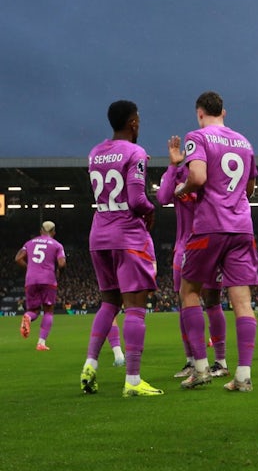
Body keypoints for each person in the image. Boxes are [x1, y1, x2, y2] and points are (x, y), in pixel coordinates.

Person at [172, 90, 258, 392]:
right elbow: (250, 188)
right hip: (242, 227)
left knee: (189, 291)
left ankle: (200, 369)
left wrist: (179, 190)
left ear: (199, 113)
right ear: (224, 111)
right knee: (242, 302)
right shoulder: (245, 142)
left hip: (210, 226)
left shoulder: (197, 136)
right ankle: (243, 375)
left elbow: (197, 176)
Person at [80, 99, 163, 397]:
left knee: (108, 303)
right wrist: (152, 209)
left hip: (98, 235)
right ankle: (133, 379)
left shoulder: (94, 153)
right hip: (127, 237)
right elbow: (138, 200)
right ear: (133, 123)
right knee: (135, 308)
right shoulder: (136, 152)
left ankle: (90, 364)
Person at [156, 137, 229, 380]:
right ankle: (192, 361)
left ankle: (219, 361)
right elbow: (163, 198)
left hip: (208, 243)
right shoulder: (179, 176)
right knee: (184, 303)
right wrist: (172, 165)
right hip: (184, 248)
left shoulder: (209, 176)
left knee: (212, 301)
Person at [15, 221, 66, 350]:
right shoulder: (57, 245)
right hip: (48, 279)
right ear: (54, 232)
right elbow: (62, 263)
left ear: (40, 231)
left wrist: (29, 268)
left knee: (34, 311)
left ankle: (27, 316)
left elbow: (18, 259)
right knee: (48, 311)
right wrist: (60, 272)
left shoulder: (29, 243)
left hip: (31, 279)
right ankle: (41, 343)